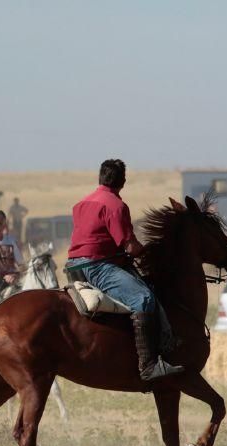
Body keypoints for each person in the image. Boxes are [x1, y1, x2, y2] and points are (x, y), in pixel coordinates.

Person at [66, 159, 183, 382]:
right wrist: (149, 251)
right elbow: (129, 246)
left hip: (74, 266)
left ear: (100, 178)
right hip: (98, 267)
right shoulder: (115, 206)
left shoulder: (81, 204)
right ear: (123, 181)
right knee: (144, 298)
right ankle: (148, 366)